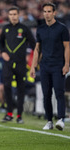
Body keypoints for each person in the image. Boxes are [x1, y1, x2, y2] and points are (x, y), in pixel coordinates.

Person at [30, 2, 70, 130]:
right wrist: (33, 66)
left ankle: (61, 119)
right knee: (46, 94)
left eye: (49, 11)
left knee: (59, 92)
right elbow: (37, 49)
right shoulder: (40, 29)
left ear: (54, 13)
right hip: (45, 66)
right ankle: (49, 121)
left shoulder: (62, 28)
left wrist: (67, 64)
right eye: (45, 12)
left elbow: (67, 47)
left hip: (58, 65)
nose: (47, 14)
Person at [0, 6, 36, 123]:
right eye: (11, 14)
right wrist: (2, 52)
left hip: (21, 64)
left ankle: (19, 116)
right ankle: (9, 113)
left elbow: (34, 44)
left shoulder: (24, 28)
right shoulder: (5, 28)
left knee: (21, 89)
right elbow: (0, 43)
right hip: (8, 63)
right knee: (7, 86)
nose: (13, 16)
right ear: (8, 16)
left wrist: (30, 56)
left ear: (18, 15)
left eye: (15, 14)